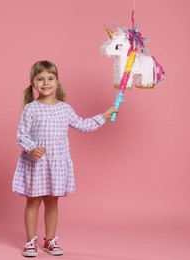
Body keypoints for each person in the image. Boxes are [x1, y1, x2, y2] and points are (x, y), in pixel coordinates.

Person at [12, 60, 117, 257]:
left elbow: (83, 125)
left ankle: (50, 240)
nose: (46, 83)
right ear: (33, 84)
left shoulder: (65, 109)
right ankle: (30, 242)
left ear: (58, 82)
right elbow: (21, 135)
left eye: (50, 78)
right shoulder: (31, 109)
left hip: (57, 164)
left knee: (52, 202)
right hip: (36, 164)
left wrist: (103, 116)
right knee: (33, 202)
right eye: (40, 79)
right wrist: (32, 147)